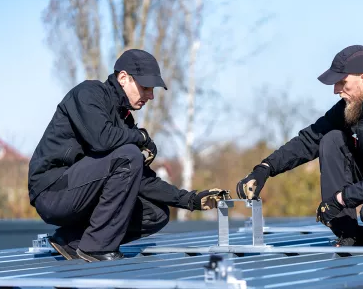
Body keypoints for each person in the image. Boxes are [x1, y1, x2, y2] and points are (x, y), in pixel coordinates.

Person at [28, 49, 225, 262]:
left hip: (81, 191)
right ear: (123, 78)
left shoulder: (123, 120)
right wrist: (140, 138)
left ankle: (72, 241)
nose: (150, 95)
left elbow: (141, 179)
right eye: (145, 87)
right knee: (130, 155)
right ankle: (96, 248)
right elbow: (102, 139)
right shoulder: (88, 94)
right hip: (52, 191)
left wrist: (190, 200)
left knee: (156, 213)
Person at [236, 45, 363, 247]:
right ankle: (350, 233)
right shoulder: (356, 105)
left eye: (342, 82)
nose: (336, 90)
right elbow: (311, 138)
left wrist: (342, 198)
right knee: (331, 139)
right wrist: (265, 168)